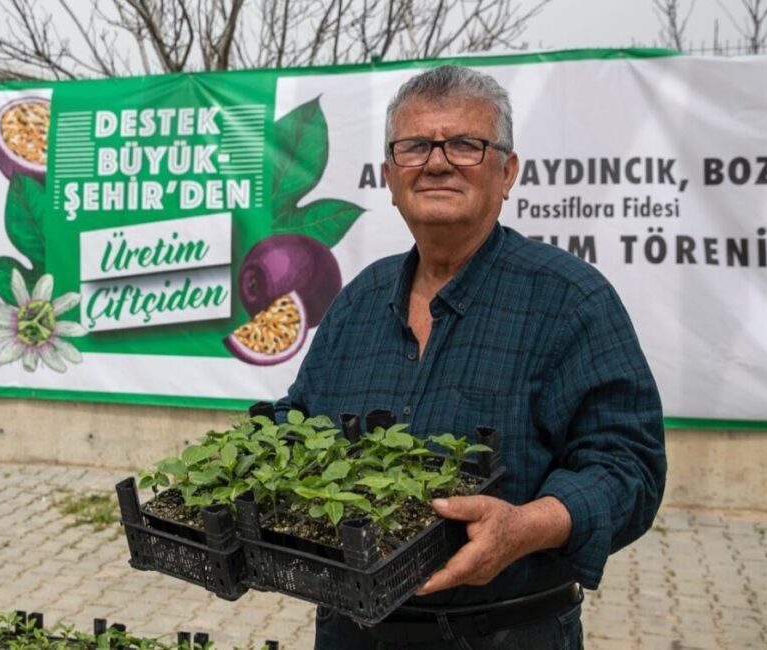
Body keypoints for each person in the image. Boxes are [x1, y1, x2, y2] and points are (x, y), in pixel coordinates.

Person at [277, 64, 667, 649]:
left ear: (507, 172)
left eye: (465, 144)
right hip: (350, 632)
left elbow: (627, 467)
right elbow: (298, 424)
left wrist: (524, 526)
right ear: (389, 176)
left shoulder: (569, 300)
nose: (437, 162)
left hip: (505, 633)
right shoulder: (359, 301)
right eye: (415, 146)